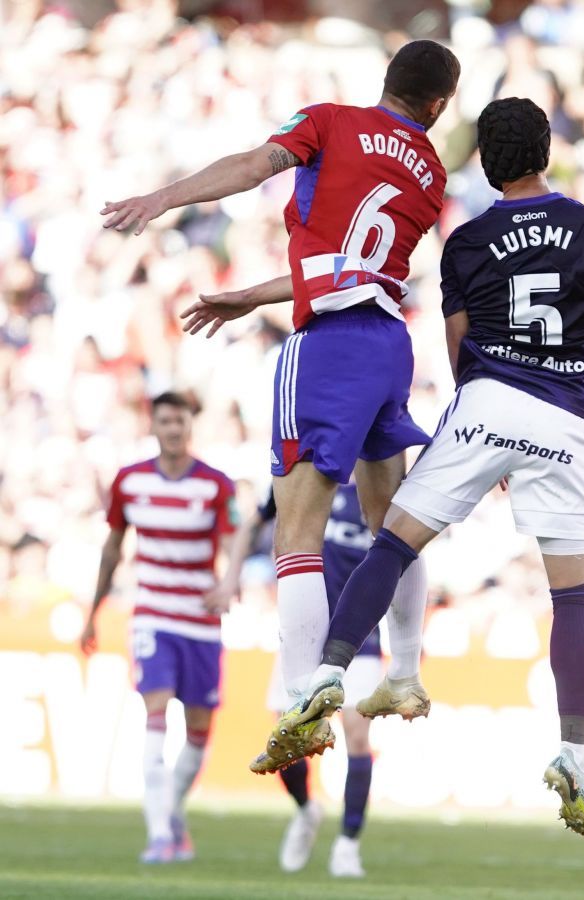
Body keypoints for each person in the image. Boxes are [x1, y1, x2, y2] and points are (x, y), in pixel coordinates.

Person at [293, 97, 584, 836]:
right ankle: (573, 753)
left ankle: (327, 672)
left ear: (485, 162)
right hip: (563, 419)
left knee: (391, 544)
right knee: (575, 602)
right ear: (547, 151)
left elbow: (458, 349)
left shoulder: (465, 241)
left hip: (488, 400)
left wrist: (480, 445)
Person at [102, 40, 460, 771]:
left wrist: (164, 198)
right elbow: (355, 271)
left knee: (295, 533)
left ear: (385, 82)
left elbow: (252, 169)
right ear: (439, 107)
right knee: (388, 528)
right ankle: (403, 673)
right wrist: (251, 296)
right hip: (390, 344)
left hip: (326, 346)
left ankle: (302, 700)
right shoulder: (433, 175)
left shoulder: (330, 121)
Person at [80, 391, 237, 862]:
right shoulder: (130, 482)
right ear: (154, 426)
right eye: (166, 421)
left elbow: (235, 539)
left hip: (201, 620)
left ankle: (171, 814)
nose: (174, 429)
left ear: (191, 426)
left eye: (181, 421)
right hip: (152, 615)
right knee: (154, 712)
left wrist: (229, 584)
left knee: (198, 729)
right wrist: (93, 611)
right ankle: (158, 836)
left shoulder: (215, 485)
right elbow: (112, 549)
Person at [208, 483, 384, 878]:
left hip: (361, 634)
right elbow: (255, 520)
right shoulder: (309, 471)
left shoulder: (382, 476)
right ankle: (307, 810)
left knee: (357, 737)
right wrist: (233, 573)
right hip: (306, 633)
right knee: (287, 739)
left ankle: (348, 845)